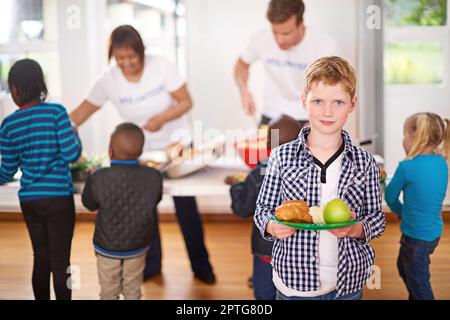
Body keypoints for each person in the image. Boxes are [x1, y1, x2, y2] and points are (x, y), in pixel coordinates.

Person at [70, 25, 215, 284]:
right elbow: (80, 114)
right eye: (120, 58)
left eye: (131, 56)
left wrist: (161, 119)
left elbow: (186, 102)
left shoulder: (160, 66)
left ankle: (201, 266)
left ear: (141, 51)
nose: (127, 63)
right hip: (142, 151)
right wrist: (53, 128)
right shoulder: (108, 80)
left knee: (186, 207)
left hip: (176, 144)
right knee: (146, 208)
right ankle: (152, 266)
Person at [254, 56, 386, 300]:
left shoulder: (364, 162)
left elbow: (377, 219)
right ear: (304, 102)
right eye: (318, 101)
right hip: (294, 281)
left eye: (338, 102)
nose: (327, 111)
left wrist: (356, 228)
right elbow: (262, 209)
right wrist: (272, 226)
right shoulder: (282, 157)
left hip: (348, 282)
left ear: (352, 104)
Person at [0, 59, 82, 300]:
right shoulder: (56, 113)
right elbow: (71, 154)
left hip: (30, 201)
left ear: (14, 89)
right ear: (41, 86)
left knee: (41, 257)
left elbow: (6, 171)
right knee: (61, 261)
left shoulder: (8, 125)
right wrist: (74, 134)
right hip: (58, 199)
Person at [82, 123, 163, 300]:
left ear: (110, 151)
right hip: (138, 245)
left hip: (106, 246)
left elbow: (89, 204)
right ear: (141, 152)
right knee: (133, 288)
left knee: (108, 290)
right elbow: (154, 200)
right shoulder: (154, 176)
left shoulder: (98, 177)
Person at [235, 0, 340, 127]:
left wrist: (320, 121)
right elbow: (241, 65)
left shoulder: (325, 46)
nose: (279, 40)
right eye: (275, 32)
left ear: (301, 24)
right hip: (272, 116)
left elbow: (335, 89)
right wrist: (244, 91)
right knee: (265, 147)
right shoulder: (260, 38)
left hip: (308, 117)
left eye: (286, 33)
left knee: (306, 147)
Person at [230, 115, 302, 300]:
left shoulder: (259, 173)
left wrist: (236, 186)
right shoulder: (310, 169)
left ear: (268, 142)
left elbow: (242, 209)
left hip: (266, 251)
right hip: (300, 253)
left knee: (264, 293)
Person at [385, 113, 449, 300]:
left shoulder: (407, 167)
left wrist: (400, 212)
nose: (403, 140)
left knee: (418, 283)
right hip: (432, 233)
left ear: (416, 138)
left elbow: (390, 197)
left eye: (404, 135)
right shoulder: (441, 162)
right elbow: (425, 193)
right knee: (406, 269)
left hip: (415, 237)